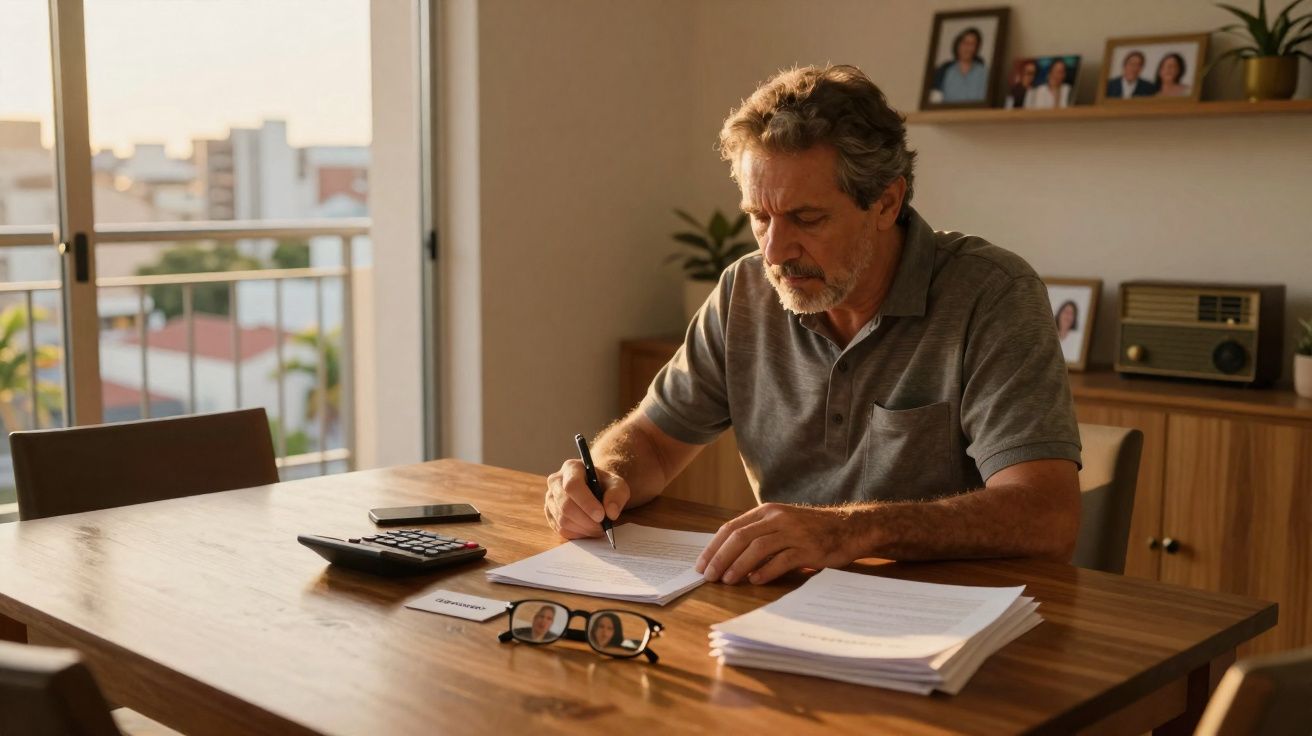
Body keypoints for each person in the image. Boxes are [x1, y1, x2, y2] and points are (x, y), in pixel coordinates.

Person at [544, 65, 1081, 587]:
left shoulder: (992, 294)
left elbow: (1048, 516)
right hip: (787, 607)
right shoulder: (745, 292)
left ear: (886, 202)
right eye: (759, 216)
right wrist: (604, 479)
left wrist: (851, 530)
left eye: (807, 218)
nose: (774, 251)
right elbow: (654, 445)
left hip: (950, 618)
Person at [933, 27, 989, 103]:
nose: (967, 47)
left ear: (976, 48)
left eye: (972, 44)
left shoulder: (983, 72)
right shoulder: (945, 71)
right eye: (964, 42)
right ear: (958, 45)